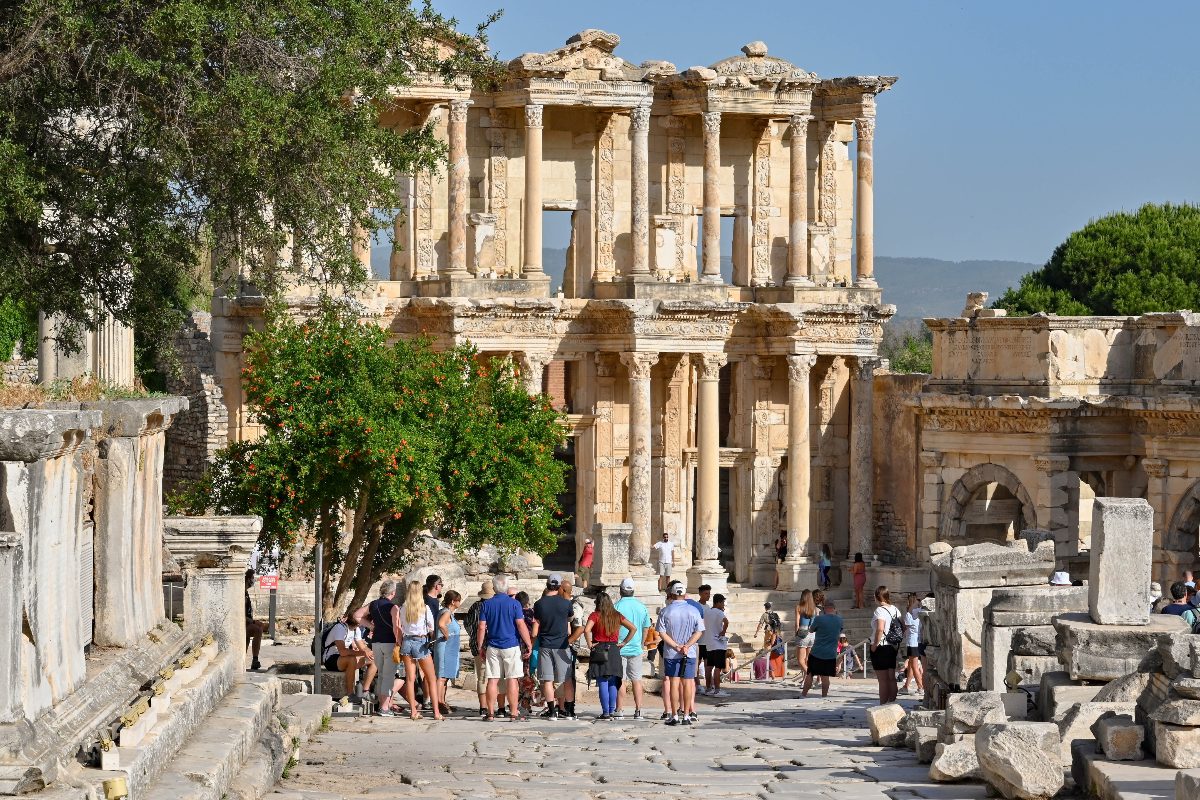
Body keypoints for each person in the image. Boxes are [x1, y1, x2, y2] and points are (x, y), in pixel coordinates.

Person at [477, 574, 532, 722]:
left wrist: (480, 645)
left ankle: (490, 713)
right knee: (512, 679)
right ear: (507, 587)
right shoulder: (514, 604)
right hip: (511, 645)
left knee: (492, 680)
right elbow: (520, 625)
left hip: (493, 645)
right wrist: (528, 643)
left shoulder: (486, 604)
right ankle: (514, 713)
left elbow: (482, 627)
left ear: (494, 587)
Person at [656, 582, 704, 726]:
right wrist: (687, 645)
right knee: (688, 682)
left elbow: (662, 633)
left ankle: (675, 715)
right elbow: (699, 631)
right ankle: (687, 715)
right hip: (689, 652)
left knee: (674, 682)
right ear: (684, 593)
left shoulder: (666, 611)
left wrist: (676, 646)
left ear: (672, 593)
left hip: (672, 652)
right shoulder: (694, 610)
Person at [532, 573, 577, 720]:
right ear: (559, 587)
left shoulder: (539, 604)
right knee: (567, 679)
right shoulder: (566, 603)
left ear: (547, 584)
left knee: (548, 679)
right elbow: (570, 619)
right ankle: (569, 711)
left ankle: (552, 711)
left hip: (545, 644)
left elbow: (536, 626)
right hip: (562, 645)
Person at [585, 592, 636, 720]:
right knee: (613, 681)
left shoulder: (595, 615)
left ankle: (606, 712)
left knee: (602, 680)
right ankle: (612, 710)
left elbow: (586, 630)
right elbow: (633, 628)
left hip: (599, 648)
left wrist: (590, 644)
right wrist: (623, 642)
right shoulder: (617, 616)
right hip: (614, 649)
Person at [398, 581, 443, 721]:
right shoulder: (425, 608)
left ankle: (413, 711)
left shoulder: (403, 607)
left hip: (407, 641)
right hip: (420, 642)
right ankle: (436, 712)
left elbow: (401, 626)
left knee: (410, 679)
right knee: (431, 678)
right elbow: (431, 628)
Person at [613, 577, 653, 719]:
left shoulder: (616, 606)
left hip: (619, 648)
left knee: (620, 680)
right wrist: (641, 643)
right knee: (637, 680)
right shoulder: (641, 606)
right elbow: (646, 627)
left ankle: (619, 709)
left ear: (620, 590)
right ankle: (638, 710)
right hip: (636, 647)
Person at [321, 612, 376, 700]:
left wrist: (370, 652)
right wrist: (363, 653)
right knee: (351, 659)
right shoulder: (340, 628)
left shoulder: (356, 629)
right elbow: (343, 652)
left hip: (343, 658)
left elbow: (362, 647)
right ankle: (350, 693)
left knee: (373, 660)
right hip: (331, 659)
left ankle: (365, 691)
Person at [368, 580, 402, 717]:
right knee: (388, 676)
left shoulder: (373, 604)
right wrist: (399, 642)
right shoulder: (393, 607)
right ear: (393, 593)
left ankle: (382, 705)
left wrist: (371, 627)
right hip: (389, 643)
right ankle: (384, 707)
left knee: (381, 674)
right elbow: (396, 627)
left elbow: (357, 615)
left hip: (376, 643)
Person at [464, 581, 494, 719]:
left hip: (477, 645)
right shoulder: (493, 606)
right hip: (493, 645)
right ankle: (493, 706)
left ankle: (483, 707)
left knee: (481, 677)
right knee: (494, 677)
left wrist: (474, 637)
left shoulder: (475, 606)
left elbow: (467, 624)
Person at [870, 586, 902, 705]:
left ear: (877, 597)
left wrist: (874, 645)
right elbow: (903, 627)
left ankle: (882, 705)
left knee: (883, 680)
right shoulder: (895, 609)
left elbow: (880, 629)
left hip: (881, 646)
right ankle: (892, 703)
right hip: (892, 646)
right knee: (891, 678)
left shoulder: (880, 610)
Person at [803, 601, 843, 698]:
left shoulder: (819, 619)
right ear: (834, 608)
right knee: (826, 677)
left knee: (810, 674)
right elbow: (840, 630)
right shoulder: (839, 620)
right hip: (831, 652)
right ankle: (824, 696)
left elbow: (811, 630)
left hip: (817, 651)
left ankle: (803, 695)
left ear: (824, 608)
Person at [432, 590, 462, 716]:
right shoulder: (447, 612)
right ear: (453, 601)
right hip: (445, 647)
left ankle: (442, 701)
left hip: (449, 647)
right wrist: (447, 635)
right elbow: (441, 624)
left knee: (446, 675)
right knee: (442, 675)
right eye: (458, 600)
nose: (460, 602)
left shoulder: (448, 612)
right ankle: (439, 702)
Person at [701, 594, 730, 697]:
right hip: (718, 644)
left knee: (709, 667)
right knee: (718, 668)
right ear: (718, 602)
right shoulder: (719, 612)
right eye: (722, 603)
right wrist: (723, 631)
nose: (723, 605)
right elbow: (726, 622)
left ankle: (708, 689)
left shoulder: (707, 612)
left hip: (708, 643)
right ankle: (717, 690)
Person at [901, 594, 924, 695]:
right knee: (910, 665)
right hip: (916, 641)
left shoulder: (910, 614)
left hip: (912, 642)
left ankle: (921, 686)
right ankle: (906, 686)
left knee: (914, 666)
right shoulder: (919, 612)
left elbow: (906, 625)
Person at [794, 589, 818, 675]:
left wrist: (796, 634)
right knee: (807, 659)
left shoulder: (799, 607)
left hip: (803, 633)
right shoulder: (815, 608)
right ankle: (806, 680)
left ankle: (810, 676)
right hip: (812, 634)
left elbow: (797, 623)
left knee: (800, 661)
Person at [244, 570, 265, 670]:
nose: (253, 580)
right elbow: (240, 615)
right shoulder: (242, 594)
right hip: (243, 623)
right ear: (248, 579)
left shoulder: (246, 593)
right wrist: (252, 621)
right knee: (257, 629)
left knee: (260, 627)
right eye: (252, 578)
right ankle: (255, 659)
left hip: (247, 621)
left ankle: (252, 659)